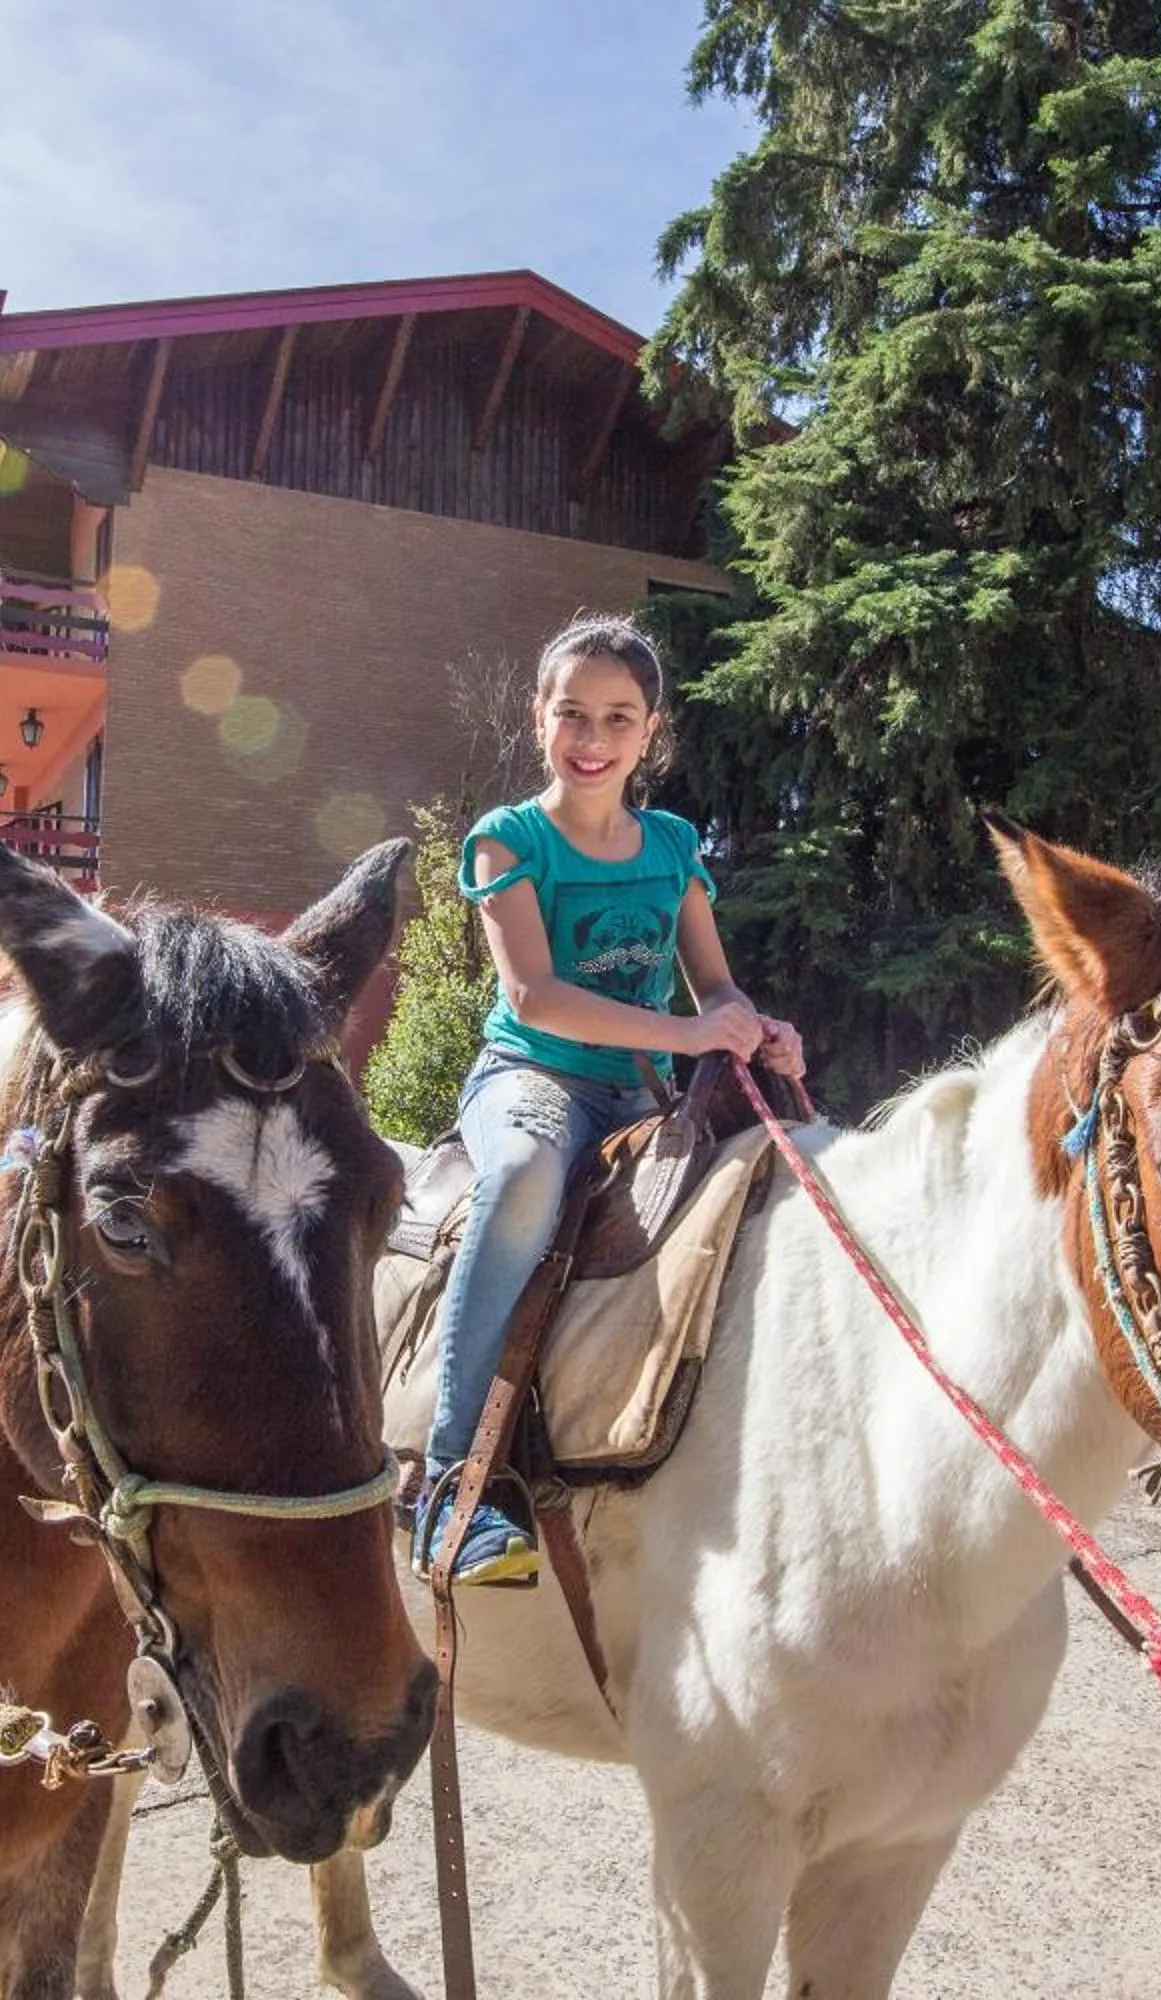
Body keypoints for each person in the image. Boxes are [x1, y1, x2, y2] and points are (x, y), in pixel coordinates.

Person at [420, 615, 805, 1587]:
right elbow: (534, 994)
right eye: (573, 714)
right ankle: (444, 1490)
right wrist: (687, 1033)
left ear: (650, 731)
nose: (592, 739)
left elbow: (714, 984)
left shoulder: (672, 843)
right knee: (518, 1179)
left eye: (617, 718)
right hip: (532, 1077)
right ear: (538, 716)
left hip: (642, 1092)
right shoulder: (507, 839)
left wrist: (752, 1026)